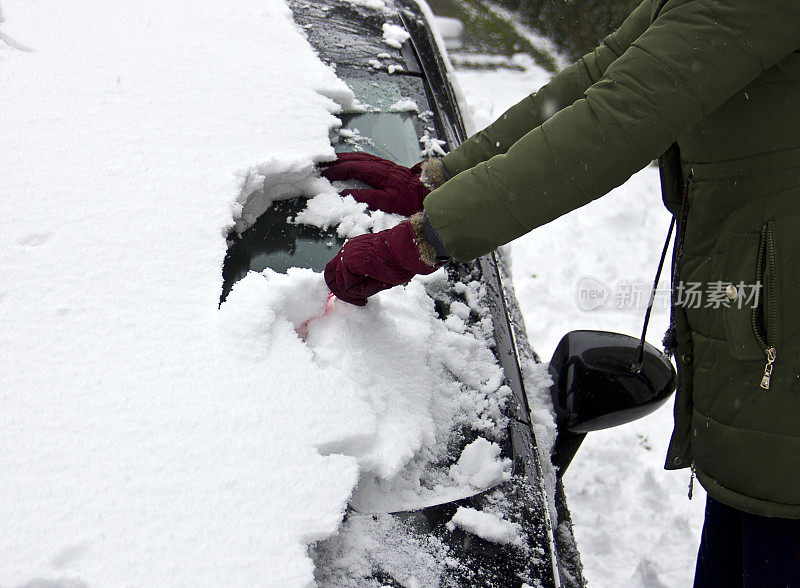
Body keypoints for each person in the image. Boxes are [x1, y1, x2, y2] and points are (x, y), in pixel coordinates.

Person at [321, 0, 800, 584]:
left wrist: (428, 236)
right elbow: (600, 76)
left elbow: (612, 122)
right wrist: (442, 179)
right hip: (758, 366)